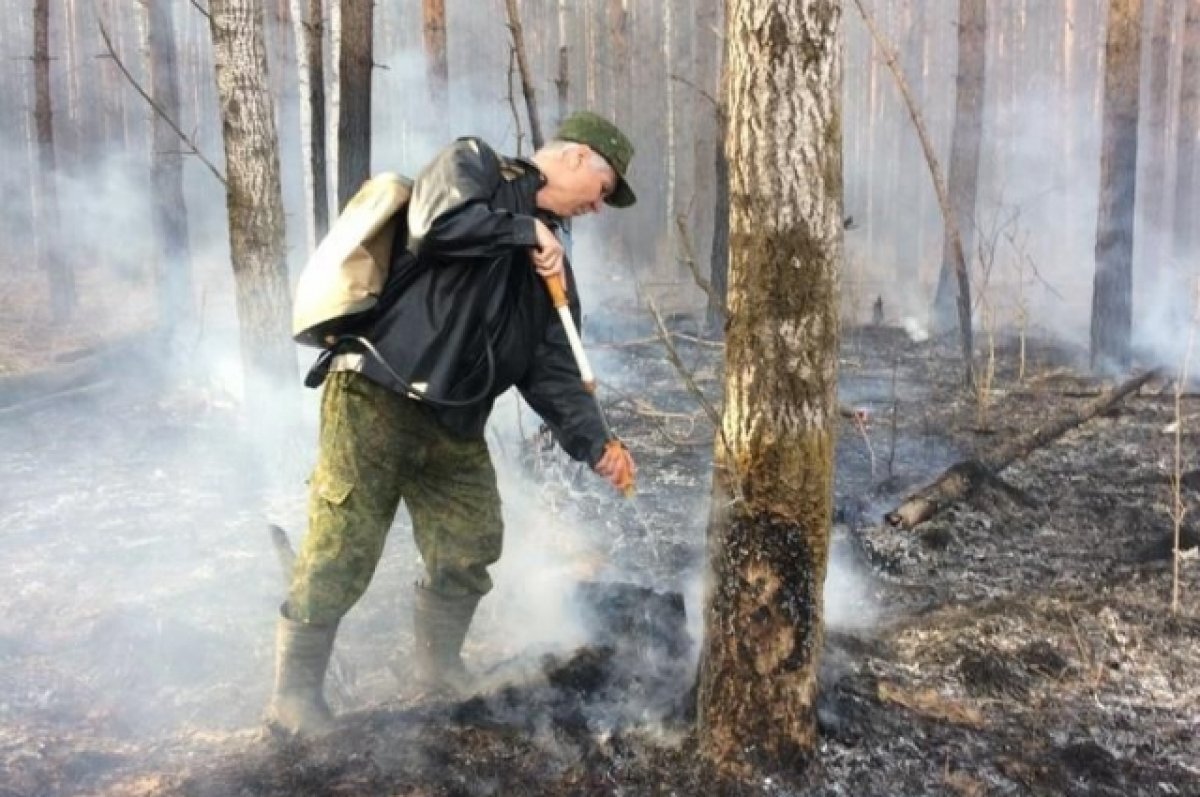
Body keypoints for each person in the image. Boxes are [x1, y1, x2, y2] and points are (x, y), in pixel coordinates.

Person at [267, 111, 639, 734]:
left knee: (470, 543)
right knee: (342, 549)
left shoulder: (550, 264)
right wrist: (523, 231)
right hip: (377, 393)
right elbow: (435, 226)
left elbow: (550, 365)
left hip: (457, 423)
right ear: (575, 159)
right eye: (602, 192)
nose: (598, 209)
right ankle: (292, 701)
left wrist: (595, 443)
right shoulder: (474, 164)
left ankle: (437, 670)